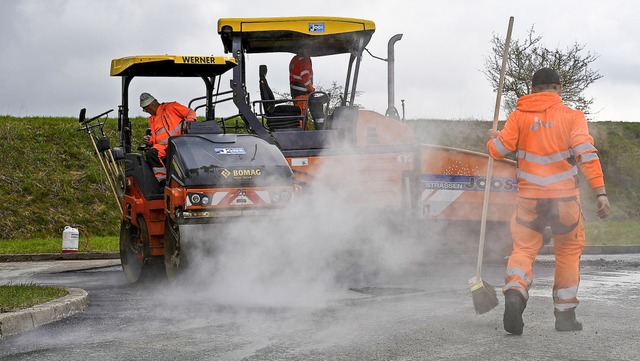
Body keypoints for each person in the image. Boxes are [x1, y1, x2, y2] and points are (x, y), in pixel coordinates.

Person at [486, 68, 610, 335]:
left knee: (524, 249)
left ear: (533, 89)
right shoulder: (572, 117)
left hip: (529, 199)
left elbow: (498, 151)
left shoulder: (519, 115)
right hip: (564, 200)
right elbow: (586, 154)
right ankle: (565, 316)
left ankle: (516, 292)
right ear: (559, 89)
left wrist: (491, 140)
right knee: (567, 253)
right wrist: (600, 191)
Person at [140, 92, 196, 184]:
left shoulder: (171, 107)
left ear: (150, 106)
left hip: (180, 142)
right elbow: (156, 137)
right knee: (152, 154)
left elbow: (190, 112)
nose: (147, 112)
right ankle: (163, 181)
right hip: (165, 146)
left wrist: (189, 123)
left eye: (145, 110)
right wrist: (149, 140)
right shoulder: (152, 119)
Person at [289, 49, 314, 116]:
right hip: (302, 93)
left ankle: (302, 126)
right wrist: (312, 90)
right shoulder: (304, 60)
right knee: (301, 116)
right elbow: (305, 79)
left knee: (299, 113)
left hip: (296, 93)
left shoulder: (295, 59)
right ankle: (300, 127)